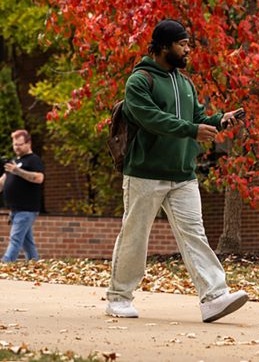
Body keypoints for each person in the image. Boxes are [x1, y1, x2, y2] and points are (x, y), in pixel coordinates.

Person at [106, 19, 248, 323]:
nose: (187, 51)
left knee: (194, 234)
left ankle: (214, 297)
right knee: (135, 235)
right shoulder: (140, 81)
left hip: (183, 174)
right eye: (182, 45)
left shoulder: (185, 83)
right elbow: (152, 119)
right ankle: (119, 297)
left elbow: (197, 117)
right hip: (145, 172)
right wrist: (192, 129)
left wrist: (220, 119)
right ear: (163, 46)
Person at [0, 129, 45, 262]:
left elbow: (39, 178)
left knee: (15, 238)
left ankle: (6, 264)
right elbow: (3, 179)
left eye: (20, 144)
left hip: (27, 208)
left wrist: (17, 171)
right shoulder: (15, 161)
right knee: (27, 242)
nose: (16, 147)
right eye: (15, 144)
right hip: (15, 209)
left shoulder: (33, 160)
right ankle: (35, 264)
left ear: (28, 143)